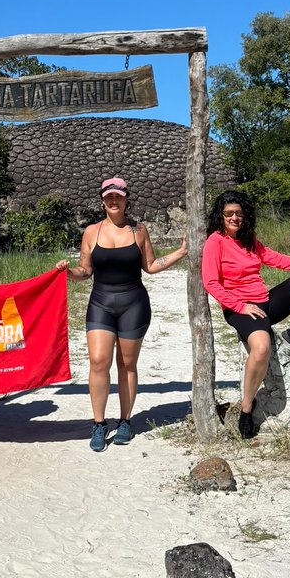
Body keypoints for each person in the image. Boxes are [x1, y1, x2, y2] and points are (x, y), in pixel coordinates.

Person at [57, 177, 187, 452]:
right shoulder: (91, 232)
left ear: (126, 199)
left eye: (118, 196)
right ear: (102, 200)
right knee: (98, 361)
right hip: (101, 304)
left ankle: (126, 420)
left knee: (127, 364)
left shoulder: (139, 230)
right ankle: (99, 423)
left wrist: (181, 252)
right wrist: (68, 272)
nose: (113, 201)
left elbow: (150, 265)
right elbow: (85, 271)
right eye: (108, 197)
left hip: (134, 304)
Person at [201, 190, 290, 439]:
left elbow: (273, 258)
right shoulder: (215, 241)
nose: (235, 218)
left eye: (239, 213)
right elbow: (211, 283)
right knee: (261, 348)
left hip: (264, 302)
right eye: (229, 214)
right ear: (221, 216)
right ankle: (247, 409)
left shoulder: (249, 239)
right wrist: (239, 306)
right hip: (241, 308)